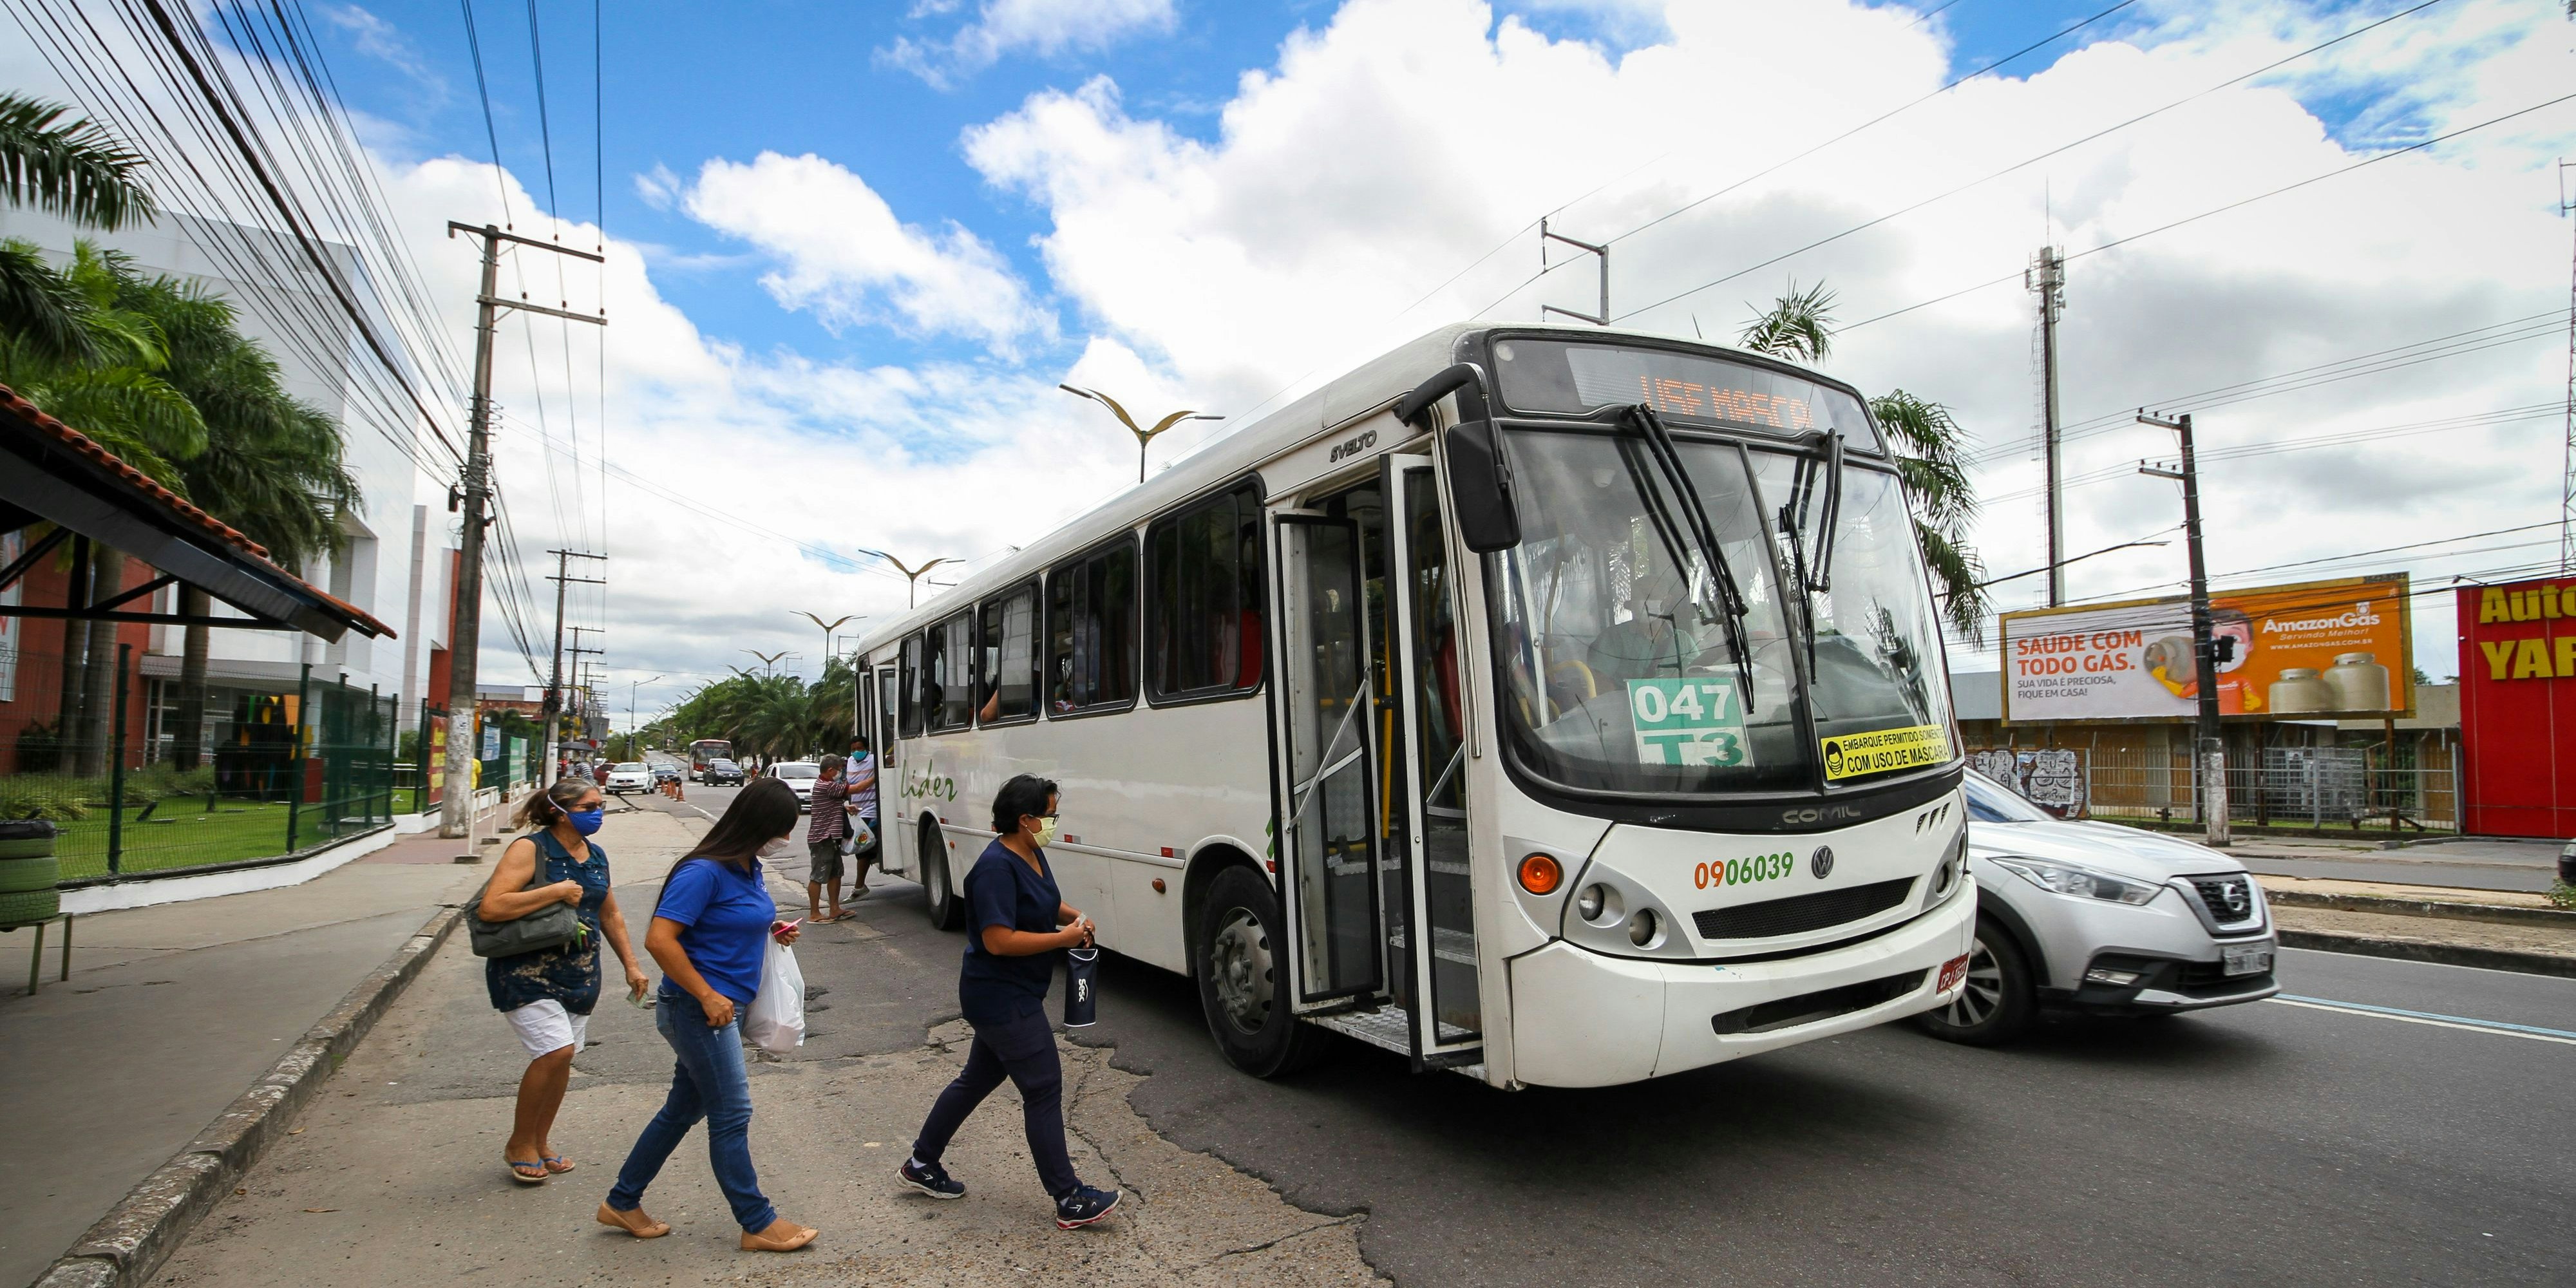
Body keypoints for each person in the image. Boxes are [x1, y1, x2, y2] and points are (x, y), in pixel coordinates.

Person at [598, 777, 819, 1252]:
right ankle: (757, 1221)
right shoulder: (704, 871)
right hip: (700, 1009)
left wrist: (770, 928)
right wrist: (706, 994)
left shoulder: (747, 867)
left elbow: (728, 921)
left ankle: (622, 1201)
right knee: (732, 1112)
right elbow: (660, 939)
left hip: (727, 1007)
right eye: (781, 829)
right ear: (757, 824)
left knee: (681, 1111)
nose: (784, 839)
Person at [897, 774, 1121, 1230]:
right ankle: (1069, 1197)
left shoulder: (1031, 852)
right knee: (1042, 1087)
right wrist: (1063, 939)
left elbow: (1044, 901)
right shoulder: (995, 868)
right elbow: (997, 941)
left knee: (976, 1079)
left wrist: (1074, 916)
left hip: (1012, 992)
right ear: (1025, 819)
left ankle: (922, 1162)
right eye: (1050, 815)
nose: (1054, 823)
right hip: (999, 996)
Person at [478, 777, 649, 1185]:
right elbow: (493, 906)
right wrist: (555, 891)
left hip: (580, 971)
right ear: (559, 809)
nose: (597, 814)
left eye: (600, 806)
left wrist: (631, 964)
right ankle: (519, 1143)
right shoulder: (530, 849)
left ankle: (541, 1141)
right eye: (589, 807)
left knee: (562, 1058)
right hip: (527, 970)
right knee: (555, 1051)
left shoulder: (595, 855)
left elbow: (609, 913)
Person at [804, 755, 852, 924]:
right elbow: (855, 788)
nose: (840, 773)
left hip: (831, 838)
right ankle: (814, 914)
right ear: (831, 770)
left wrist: (846, 807)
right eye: (839, 770)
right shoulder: (825, 786)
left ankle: (834, 909)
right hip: (822, 838)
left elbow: (834, 804)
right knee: (818, 875)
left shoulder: (827, 786)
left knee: (836, 873)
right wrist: (878, 774)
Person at [844, 734, 879, 898]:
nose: (856, 752)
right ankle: (860, 885)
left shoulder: (874, 760)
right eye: (853, 750)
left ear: (867, 749)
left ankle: (859, 886)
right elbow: (851, 785)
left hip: (871, 810)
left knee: (862, 847)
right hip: (856, 811)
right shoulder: (850, 762)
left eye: (859, 749)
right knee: (862, 847)